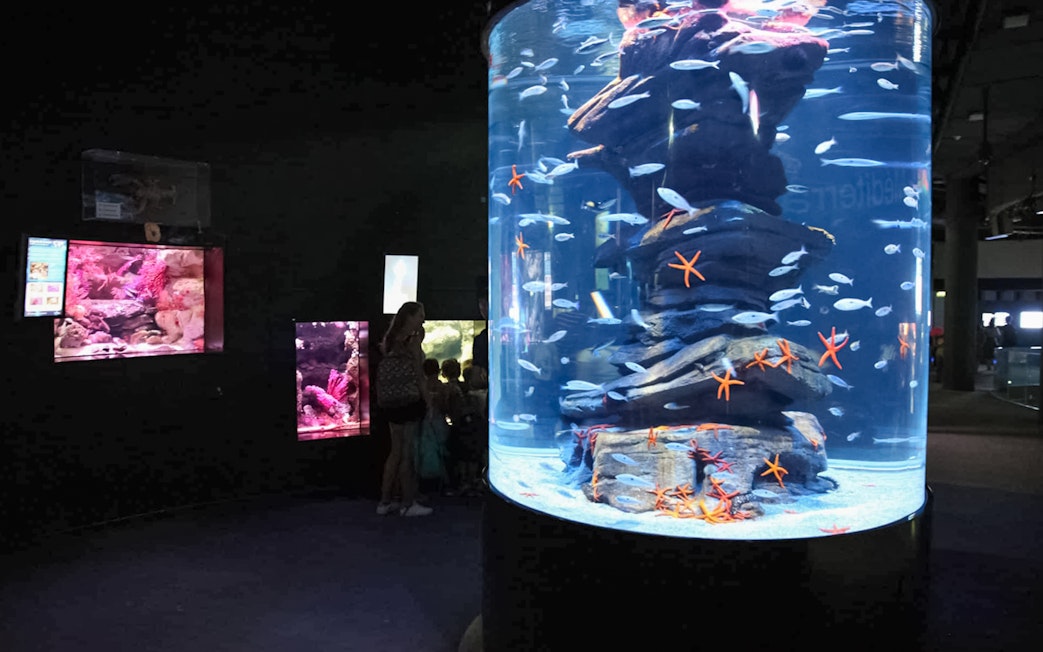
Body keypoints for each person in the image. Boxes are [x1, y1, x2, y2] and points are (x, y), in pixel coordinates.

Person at [376, 301, 433, 517]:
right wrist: (428, 402)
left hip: (391, 404)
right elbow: (419, 375)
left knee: (395, 451)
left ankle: (385, 501)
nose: (423, 319)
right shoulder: (412, 340)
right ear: (410, 317)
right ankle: (408, 504)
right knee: (407, 452)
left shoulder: (390, 339)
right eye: (420, 315)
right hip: (409, 402)